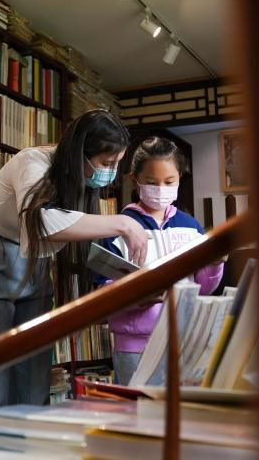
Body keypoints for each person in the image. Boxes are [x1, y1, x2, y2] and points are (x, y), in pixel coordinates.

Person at [0, 109, 151, 407]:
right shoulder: (32, 161)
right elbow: (40, 222)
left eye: (116, 163)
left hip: (33, 262)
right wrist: (123, 222)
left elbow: (69, 231)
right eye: (106, 163)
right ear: (80, 153)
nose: (110, 171)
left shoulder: (79, 178)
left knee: (34, 376)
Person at [103, 136, 223, 385]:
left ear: (180, 178)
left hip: (184, 339)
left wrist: (215, 263)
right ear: (135, 180)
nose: (160, 189)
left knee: (184, 416)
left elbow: (203, 288)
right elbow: (103, 291)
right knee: (139, 414)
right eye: (151, 182)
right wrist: (137, 295)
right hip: (136, 346)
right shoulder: (118, 228)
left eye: (169, 182)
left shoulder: (191, 227)